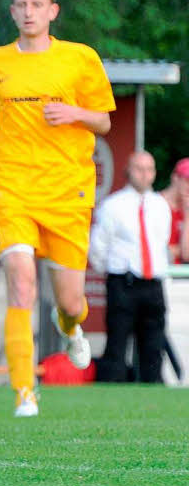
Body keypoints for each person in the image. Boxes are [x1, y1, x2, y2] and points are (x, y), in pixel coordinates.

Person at [0, 0, 115, 417]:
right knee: (21, 284)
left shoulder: (80, 58)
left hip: (67, 193)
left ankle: (69, 328)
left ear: (52, 10)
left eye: (37, 4)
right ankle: (24, 391)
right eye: (21, 5)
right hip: (11, 189)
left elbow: (103, 120)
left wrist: (74, 112)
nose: (29, 12)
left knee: (70, 302)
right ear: (12, 11)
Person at [90, 151, 171, 383]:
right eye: (139, 168)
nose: (145, 175)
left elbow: (161, 242)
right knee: (117, 340)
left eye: (149, 169)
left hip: (152, 283)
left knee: (154, 342)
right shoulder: (113, 205)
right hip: (123, 281)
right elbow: (98, 246)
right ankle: (111, 389)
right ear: (129, 170)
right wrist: (113, 271)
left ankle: (151, 390)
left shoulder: (159, 205)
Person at [158, 158, 189, 265]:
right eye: (187, 180)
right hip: (157, 273)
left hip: (181, 276)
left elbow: (187, 254)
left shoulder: (186, 207)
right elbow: (153, 250)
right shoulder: (156, 203)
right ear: (175, 178)